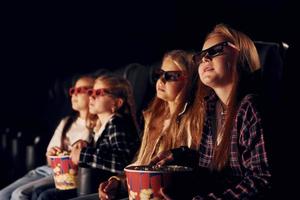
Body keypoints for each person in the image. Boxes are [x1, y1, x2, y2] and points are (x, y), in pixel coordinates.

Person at [154, 24, 271, 199]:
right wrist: (179, 156)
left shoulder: (251, 107)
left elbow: (262, 180)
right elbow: (211, 166)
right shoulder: (211, 107)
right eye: (201, 55)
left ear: (240, 55)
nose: (205, 58)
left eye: (215, 50)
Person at [98, 50, 205, 200]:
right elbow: (143, 164)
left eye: (170, 76)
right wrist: (118, 182)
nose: (161, 81)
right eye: (159, 74)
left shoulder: (195, 119)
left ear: (190, 80)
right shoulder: (153, 117)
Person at [37, 74, 140, 200]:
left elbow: (123, 162)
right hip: (91, 184)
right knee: (42, 193)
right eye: (91, 92)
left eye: (99, 93)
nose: (92, 96)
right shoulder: (100, 126)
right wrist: (84, 147)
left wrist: (84, 155)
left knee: (46, 196)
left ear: (117, 103)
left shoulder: (117, 123)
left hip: (109, 188)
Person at [0, 75, 94, 200]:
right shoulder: (66, 122)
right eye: (72, 91)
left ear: (93, 94)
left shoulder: (95, 126)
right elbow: (49, 157)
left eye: (80, 90)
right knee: (3, 194)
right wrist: (53, 153)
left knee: (20, 194)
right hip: (46, 170)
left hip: (67, 174)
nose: (74, 94)